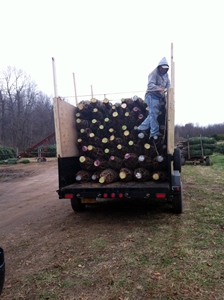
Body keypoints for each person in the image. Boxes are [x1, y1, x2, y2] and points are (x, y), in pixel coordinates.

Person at [137, 57, 170, 139]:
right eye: (162, 68)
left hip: (159, 97)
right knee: (153, 113)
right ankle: (154, 132)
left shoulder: (166, 75)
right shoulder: (153, 73)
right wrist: (158, 88)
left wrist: (169, 91)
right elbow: (150, 85)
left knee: (153, 114)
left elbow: (168, 85)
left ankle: (141, 128)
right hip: (151, 95)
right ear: (159, 67)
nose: (163, 70)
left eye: (165, 69)